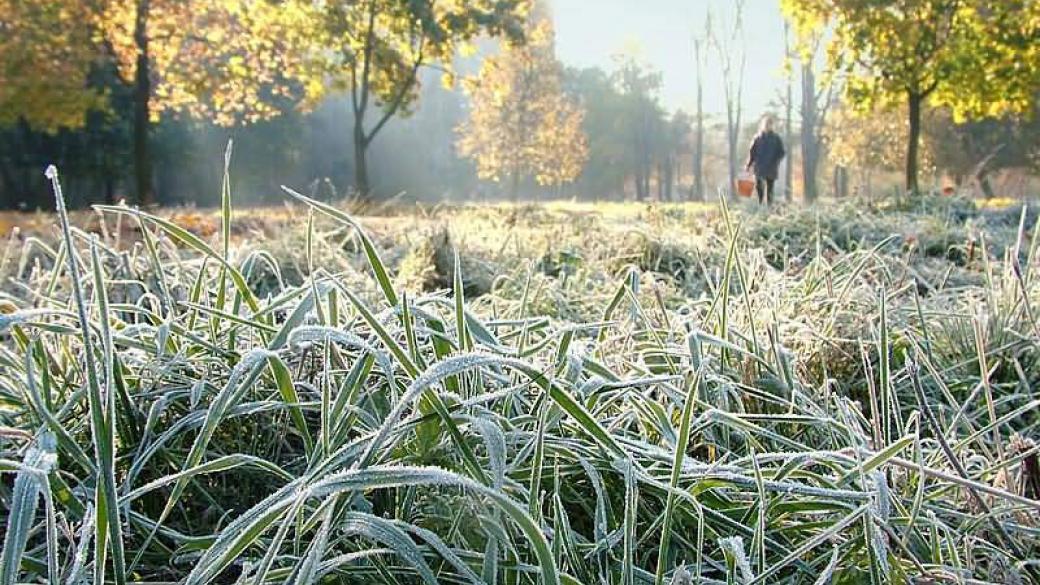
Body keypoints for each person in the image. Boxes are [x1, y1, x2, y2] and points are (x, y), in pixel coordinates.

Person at [745, 115, 785, 206]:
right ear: (763, 125)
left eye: (769, 124)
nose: (767, 126)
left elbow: (781, 152)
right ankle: (760, 204)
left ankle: (769, 207)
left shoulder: (776, 138)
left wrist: (776, 161)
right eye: (766, 124)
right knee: (759, 187)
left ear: (772, 126)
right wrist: (748, 165)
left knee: (770, 189)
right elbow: (752, 152)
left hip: (771, 167)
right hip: (759, 167)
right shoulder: (758, 138)